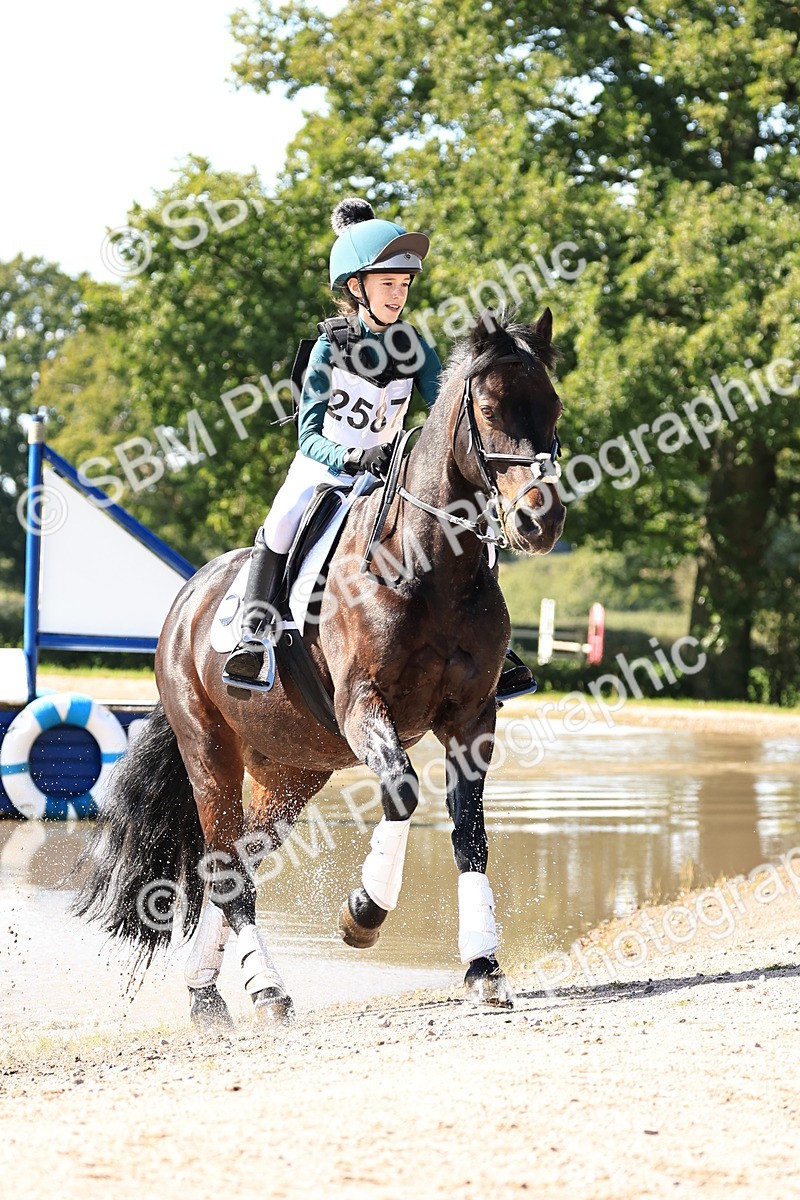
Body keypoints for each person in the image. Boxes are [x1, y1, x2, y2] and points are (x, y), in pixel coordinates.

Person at [224, 197, 535, 698]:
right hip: (328, 465)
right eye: (388, 284)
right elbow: (307, 435)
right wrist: (350, 457)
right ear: (356, 287)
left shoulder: (415, 346)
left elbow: (443, 412)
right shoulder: (329, 345)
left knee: (466, 520)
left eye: (404, 285)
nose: (398, 294)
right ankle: (254, 636)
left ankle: (495, 649)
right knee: (283, 517)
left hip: (390, 475)